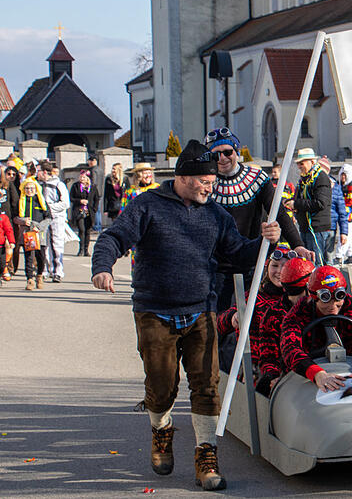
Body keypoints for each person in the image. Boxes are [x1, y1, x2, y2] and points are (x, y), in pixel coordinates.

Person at [91, 140, 285, 491]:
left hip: (201, 311)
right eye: (206, 183)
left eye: (213, 182)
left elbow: (239, 254)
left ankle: (206, 457)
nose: (212, 189)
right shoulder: (146, 206)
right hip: (155, 311)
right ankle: (162, 430)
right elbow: (114, 237)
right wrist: (102, 266)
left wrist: (265, 242)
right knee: (161, 388)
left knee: (207, 388)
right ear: (184, 177)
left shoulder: (216, 215)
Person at [206, 128, 308, 312]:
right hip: (216, 266)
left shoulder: (256, 178)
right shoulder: (206, 182)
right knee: (221, 320)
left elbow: (278, 212)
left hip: (252, 260)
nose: (222, 158)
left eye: (227, 152)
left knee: (252, 317)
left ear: (236, 152)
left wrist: (297, 244)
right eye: (216, 154)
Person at [280, 265, 352, 392]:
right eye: (325, 299)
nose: (332, 305)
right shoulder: (298, 314)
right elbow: (290, 348)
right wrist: (317, 374)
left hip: (344, 365)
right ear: (314, 297)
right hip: (307, 369)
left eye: (338, 297)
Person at [231, 255, 314, 394]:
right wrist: (232, 317)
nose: (281, 271)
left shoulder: (319, 305)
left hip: (307, 362)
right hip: (264, 361)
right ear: (266, 268)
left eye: (286, 266)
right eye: (275, 265)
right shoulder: (257, 300)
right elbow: (222, 323)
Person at [286, 148, 331, 265]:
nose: (299, 166)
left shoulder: (321, 177)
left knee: (316, 263)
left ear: (312, 162)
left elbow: (320, 203)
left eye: (302, 163)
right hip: (306, 227)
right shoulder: (304, 179)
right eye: (297, 164)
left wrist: (296, 204)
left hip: (316, 228)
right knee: (306, 263)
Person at [36, 161, 68, 283]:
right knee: (43, 244)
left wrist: (49, 207)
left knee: (56, 244)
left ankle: (58, 271)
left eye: (38, 171)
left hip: (56, 217)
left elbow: (65, 203)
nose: (37, 174)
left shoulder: (58, 184)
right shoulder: (38, 184)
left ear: (44, 172)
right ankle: (45, 269)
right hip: (43, 219)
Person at [17, 178, 49, 290]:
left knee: (41, 257)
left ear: (36, 189)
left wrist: (39, 227)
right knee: (29, 257)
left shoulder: (41, 201)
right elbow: (15, 218)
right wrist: (23, 221)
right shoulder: (21, 201)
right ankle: (29, 279)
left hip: (40, 233)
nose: (29, 190)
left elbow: (49, 217)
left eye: (32, 188)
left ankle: (39, 276)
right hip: (27, 233)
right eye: (27, 188)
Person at [319, 157, 349, 266]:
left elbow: (342, 212)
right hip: (316, 227)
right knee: (316, 258)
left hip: (330, 228)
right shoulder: (312, 184)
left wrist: (344, 232)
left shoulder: (335, 187)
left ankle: (328, 280)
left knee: (328, 257)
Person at [69, 170, 100, 257]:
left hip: (89, 211)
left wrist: (94, 209)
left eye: (83, 177)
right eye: (80, 177)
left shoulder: (93, 187)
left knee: (87, 231)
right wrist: (80, 201)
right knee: (81, 230)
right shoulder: (75, 186)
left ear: (87, 179)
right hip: (79, 210)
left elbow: (96, 198)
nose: (81, 179)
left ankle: (86, 250)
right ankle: (81, 249)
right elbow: (71, 198)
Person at [337, 164, 352, 265]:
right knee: (349, 237)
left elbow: (351, 202)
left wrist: (341, 207)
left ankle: (338, 256)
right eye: (342, 175)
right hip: (344, 216)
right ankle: (350, 257)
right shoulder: (341, 185)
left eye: (345, 175)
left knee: (345, 236)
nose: (343, 177)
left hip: (350, 216)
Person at [87, 154, 104, 232]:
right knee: (98, 210)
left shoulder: (93, 170)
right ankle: (99, 226)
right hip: (100, 191)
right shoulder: (100, 169)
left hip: (94, 192)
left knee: (95, 210)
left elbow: (93, 182)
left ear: (93, 161)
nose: (89, 163)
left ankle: (96, 226)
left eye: (89, 161)